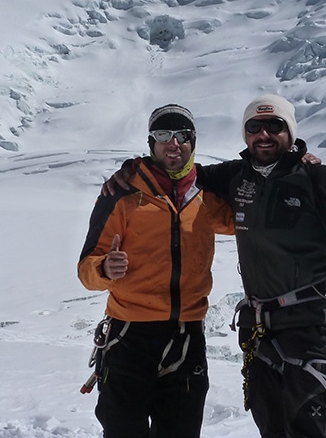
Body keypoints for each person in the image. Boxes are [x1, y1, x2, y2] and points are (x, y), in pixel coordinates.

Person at [194, 93, 326, 438]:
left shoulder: (318, 179)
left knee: (308, 430)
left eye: (275, 126)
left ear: (290, 132)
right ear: (246, 134)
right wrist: (133, 170)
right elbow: (184, 173)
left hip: (308, 329)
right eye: (255, 127)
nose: (264, 135)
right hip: (258, 330)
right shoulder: (236, 175)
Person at [78, 104, 234, 438]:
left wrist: (297, 165)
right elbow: (86, 269)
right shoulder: (122, 194)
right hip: (129, 337)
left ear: (193, 142)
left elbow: (251, 220)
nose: (172, 143)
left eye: (182, 136)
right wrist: (104, 267)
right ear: (151, 143)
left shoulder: (207, 198)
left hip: (187, 335)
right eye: (163, 135)